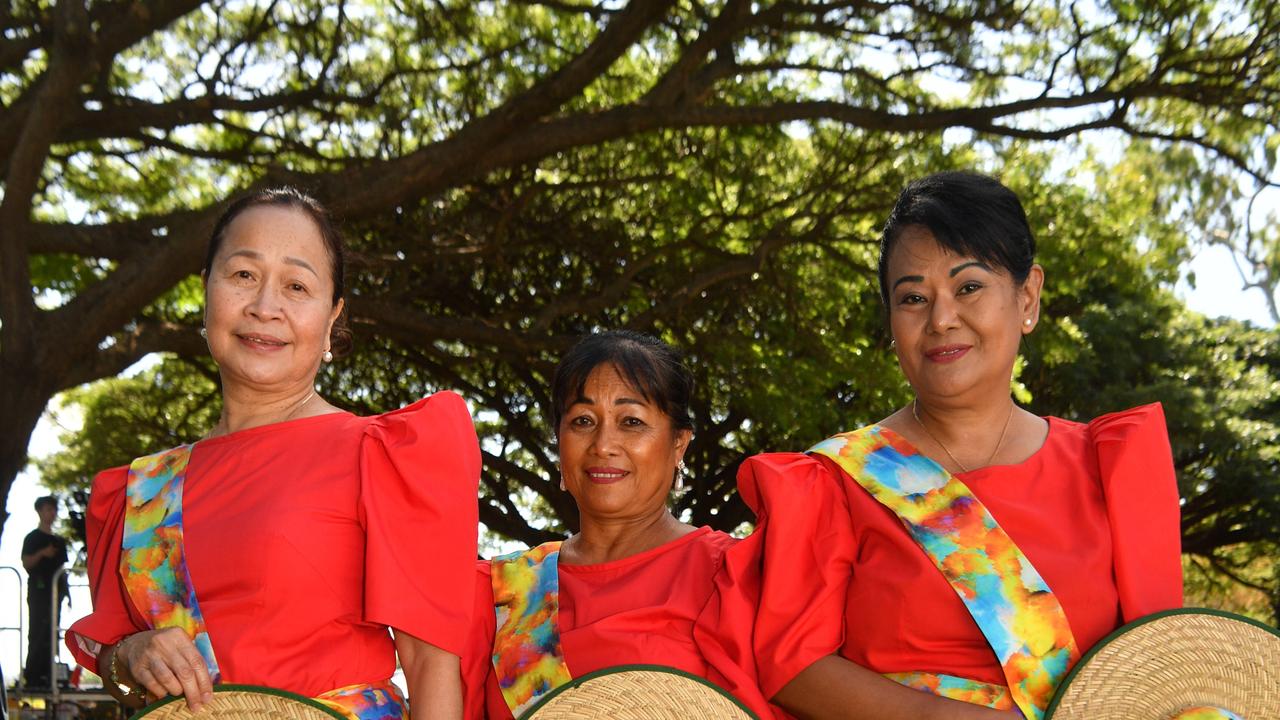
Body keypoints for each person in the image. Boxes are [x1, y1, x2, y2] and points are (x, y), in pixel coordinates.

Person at [738, 172, 1183, 720]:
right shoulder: (837, 480)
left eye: (968, 287)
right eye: (913, 298)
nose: (941, 319)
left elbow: (1162, 668)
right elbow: (793, 667)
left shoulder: (1107, 469)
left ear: (1028, 296)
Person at [65, 187, 481, 720]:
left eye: (296, 285)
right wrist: (130, 655)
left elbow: (431, 670)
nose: (265, 307)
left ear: (333, 317)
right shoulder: (141, 491)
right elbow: (120, 675)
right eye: (243, 275)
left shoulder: (383, 454)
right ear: (206, 290)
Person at [460, 330, 771, 719]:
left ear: (679, 444)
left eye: (631, 421)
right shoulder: (502, 592)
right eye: (583, 420)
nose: (603, 444)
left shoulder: (735, 577)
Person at [22, 495, 69, 690]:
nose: (51, 513)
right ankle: (33, 675)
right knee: (38, 632)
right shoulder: (32, 538)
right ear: (40, 511)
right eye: (48, 509)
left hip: (56, 593)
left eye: (54, 510)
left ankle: (49, 674)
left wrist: (68, 593)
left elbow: (63, 570)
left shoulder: (59, 541)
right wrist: (42, 553)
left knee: (53, 632)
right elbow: (26, 563)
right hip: (38, 592)